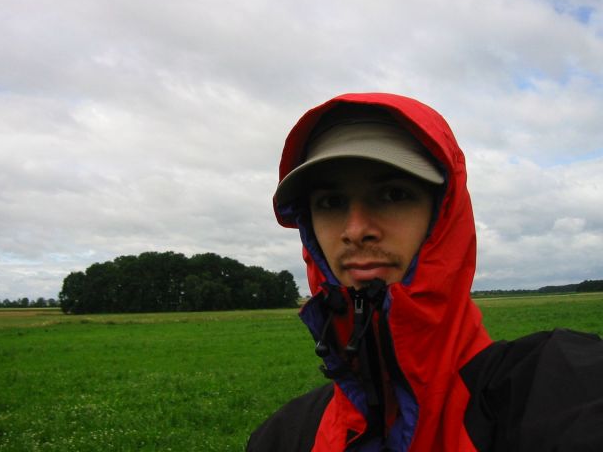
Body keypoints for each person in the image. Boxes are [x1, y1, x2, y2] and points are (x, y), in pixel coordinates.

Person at [246, 93, 603, 451]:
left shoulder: (556, 389)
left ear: (444, 215)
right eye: (331, 202)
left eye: (393, 194)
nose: (355, 230)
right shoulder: (285, 436)